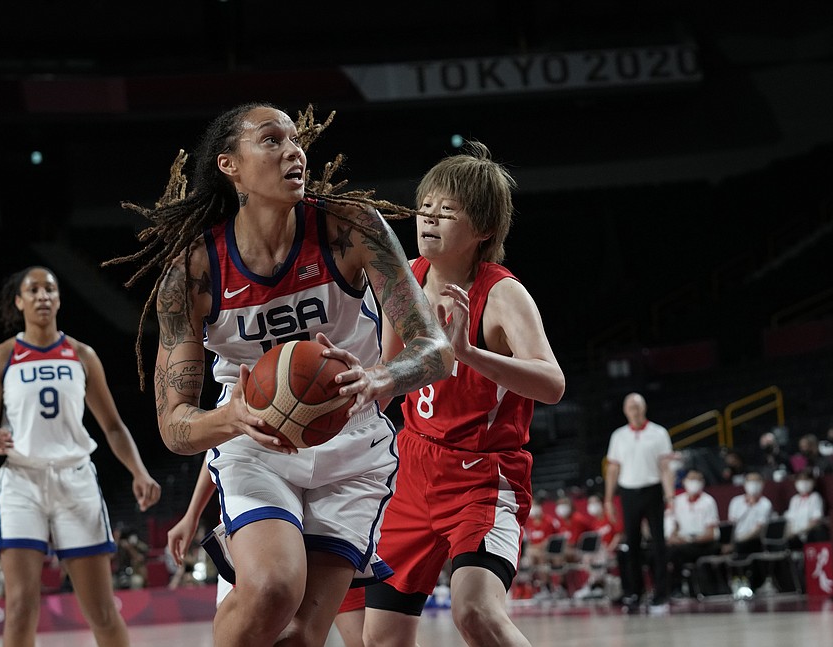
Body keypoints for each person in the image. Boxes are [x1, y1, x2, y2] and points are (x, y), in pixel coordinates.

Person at [105, 103, 453, 647]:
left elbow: (435, 349)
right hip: (256, 443)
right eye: (271, 140)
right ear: (229, 165)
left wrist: (381, 380)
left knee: (298, 636)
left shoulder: (351, 226)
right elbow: (174, 426)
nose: (294, 151)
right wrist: (232, 417)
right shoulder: (194, 271)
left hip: (353, 443)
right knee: (272, 589)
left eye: (296, 141)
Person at [362, 141, 565, 647]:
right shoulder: (404, 278)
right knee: (380, 636)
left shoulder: (501, 293)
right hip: (412, 465)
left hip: (482, 472)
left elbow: (552, 382)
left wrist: (470, 354)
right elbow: (389, 375)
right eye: (424, 208)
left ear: (483, 230)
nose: (428, 219)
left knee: (475, 611)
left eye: (446, 212)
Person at [0, 265, 162, 647]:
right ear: (19, 301)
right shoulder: (1, 358)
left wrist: (139, 472)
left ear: (58, 299)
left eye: (49, 289)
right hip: (21, 483)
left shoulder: (82, 355)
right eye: (33, 290)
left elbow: (112, 426)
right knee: (20, 607)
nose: (42, 296)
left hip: (75, 480)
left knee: (101, 611)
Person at [167, 456, 365, 647]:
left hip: (333, 480)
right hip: (253, 511)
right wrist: (192, 515)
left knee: (301, 636)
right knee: (260, 603)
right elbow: (216, 444)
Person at [603, 392, 675, 613]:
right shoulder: (618, 436)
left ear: (644, 408)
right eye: (630, 407)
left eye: (637, 406)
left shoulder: (659, 433)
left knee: (658, 543)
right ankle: (635, 592)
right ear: (625, 411)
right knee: (632, 544)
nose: (634, 410)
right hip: (628, 492)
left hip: (653, 489)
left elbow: (665, 467)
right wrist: (608, 499)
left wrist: (670, 495)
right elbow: (613, 469)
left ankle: (661, 593)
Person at [664, 470, 720, 598]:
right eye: (691, 479)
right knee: (666, 550)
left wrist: (689, 540)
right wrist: (673, 537)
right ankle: (669, 588)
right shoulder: (678, 501)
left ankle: (677, 588)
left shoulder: (708, 501)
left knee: (676, 552)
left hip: (704, 542)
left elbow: (711, 533)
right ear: (684, 482)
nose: (694, 483)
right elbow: (673, 525)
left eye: (698, 479)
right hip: (683, 542)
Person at [727, 471, 773, 557]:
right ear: (745, 484)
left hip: (754, 540)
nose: (753, 484)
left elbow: (759, 529)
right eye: (750, 481)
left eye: (756, 481)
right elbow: (731, 524)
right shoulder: (736, 501)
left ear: (762, 484)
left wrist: (741, 539)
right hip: (736, 539)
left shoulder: (765, 504)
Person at [784, 470, 829, 549]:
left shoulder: (815, 497)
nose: (803, 483)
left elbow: (816, 520)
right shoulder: (794, 499)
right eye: (800, 480)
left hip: (809, 532)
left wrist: (801, 531)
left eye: (806, 480)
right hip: (795, 535)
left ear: (813, 482)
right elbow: (789, 519)